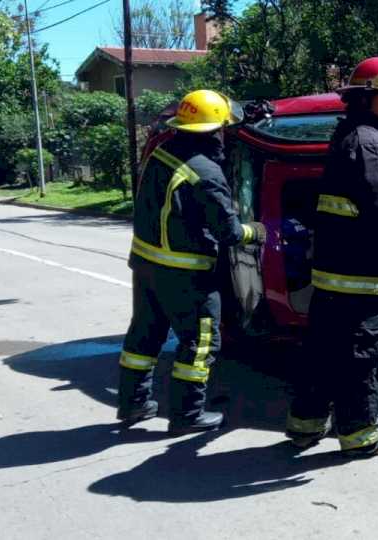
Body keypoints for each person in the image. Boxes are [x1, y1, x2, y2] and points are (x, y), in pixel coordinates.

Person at [285, 57, 378, 457]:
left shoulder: (355, 135)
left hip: (335, 275)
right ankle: (362, 434)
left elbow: (361, 188)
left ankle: (304, 427)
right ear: (367, 99)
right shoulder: (370, 142)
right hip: (362, 278)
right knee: (365, 357)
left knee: (322, 353)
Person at [117, 89, 266, 436]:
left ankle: (133, 403)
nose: (226, 135)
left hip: (146, 265)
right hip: (187, 276)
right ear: (214, 131)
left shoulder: (162, 154)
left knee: (144, 335)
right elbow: (228, 232)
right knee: (200, 343)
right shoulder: (206, 174)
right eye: (224, 129)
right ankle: (187, 413)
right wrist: (257, 231)